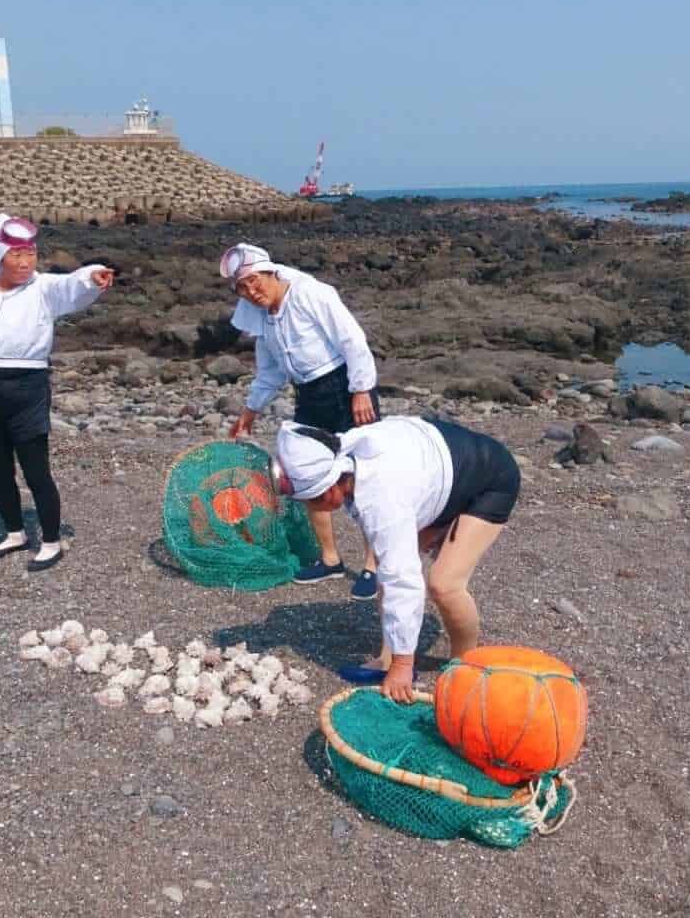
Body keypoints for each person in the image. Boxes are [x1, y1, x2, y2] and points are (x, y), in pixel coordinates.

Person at [270, 414, 521, 703]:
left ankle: (465, 666)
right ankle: (388, 659)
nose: (313, 508)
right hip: (435, 466)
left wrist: (405, 667)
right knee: (386, 570)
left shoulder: (381, 498)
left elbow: (404, 579)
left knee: (445, 583)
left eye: (313, 501)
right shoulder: (345, 461)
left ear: (331, 487)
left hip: (490, 478)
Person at [0, 214, 114, 571]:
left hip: (26, 389)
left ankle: (51, 541)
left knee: (35, 470)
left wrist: (92, 275)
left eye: (30, 253)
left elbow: (72, 286)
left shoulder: (43, 288)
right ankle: (14, 532)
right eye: (15, 254)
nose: (25, 261)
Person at [219, 242, 381, 599]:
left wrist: (361, 389)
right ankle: (330, 558)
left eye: (254, 281)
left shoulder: (311, 294)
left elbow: (352, 340)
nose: (251, 291)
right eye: (242, 288)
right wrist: (250, 411)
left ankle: (372, 565)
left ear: (270, 271)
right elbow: (271, 372)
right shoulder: (263, 317)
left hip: (343, 386)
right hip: (307, 393)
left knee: (365, 475)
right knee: (306, 473)